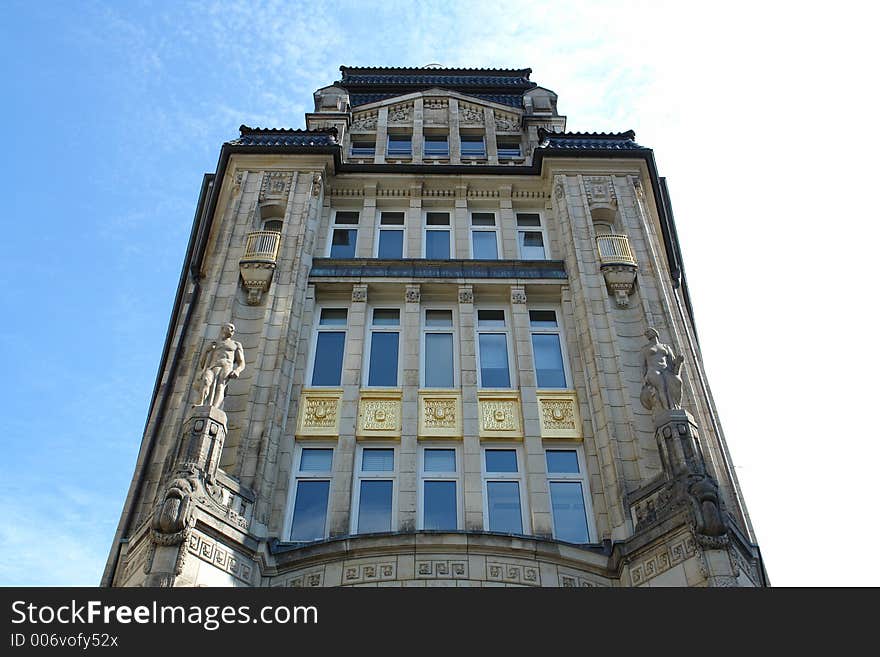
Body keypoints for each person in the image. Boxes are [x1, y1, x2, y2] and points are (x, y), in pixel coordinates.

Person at [194, 323, 245, 409]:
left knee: (220, 386)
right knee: (206, 381)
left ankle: (214, 408)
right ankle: (200, 403)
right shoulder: (213, 344)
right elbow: (202, 364)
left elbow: (241, 362)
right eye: (231, 328)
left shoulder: (236, 344)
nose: (233, 330)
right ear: (223, 328)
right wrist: (206, 351)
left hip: (226, 366)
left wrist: (237, 370)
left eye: (233, 329)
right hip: (212, 367)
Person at [639, 327, 684, 412]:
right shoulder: (645, 349)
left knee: (677, 381)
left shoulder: (665, 347)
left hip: (665, 370)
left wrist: (679, 361)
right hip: (653, 370)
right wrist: (643, 380)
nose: (646, 334)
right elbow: (643, 366)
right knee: (661, 387)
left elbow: (672, 361)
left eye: (648, 332)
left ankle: (676, 406)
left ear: (655, 333)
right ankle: (667, 410)